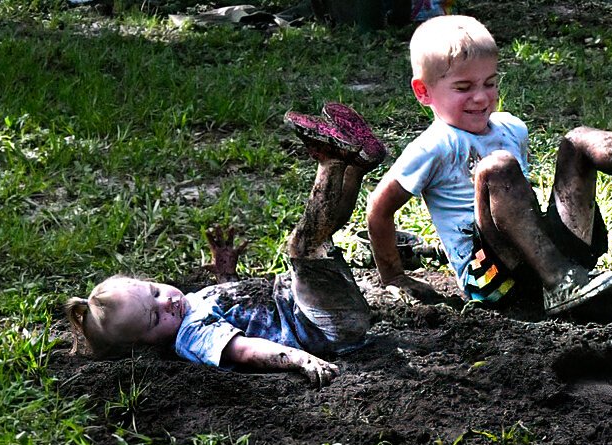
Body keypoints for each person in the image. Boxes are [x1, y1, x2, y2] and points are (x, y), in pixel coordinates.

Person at [366, 15, 612, 316]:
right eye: (463, 87)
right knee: (498, 167)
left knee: (577, 140)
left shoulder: (510, 127)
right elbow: (377, 210)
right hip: (493, 280)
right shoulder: (432, 146)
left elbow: (521, 206)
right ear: (423, 92)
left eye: (490, 83)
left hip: (546, 254)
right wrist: (393, 276)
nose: (481, 97)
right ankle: (559, 282)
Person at [64, 103, 385, 386]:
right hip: (318, 325)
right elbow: (244, 349)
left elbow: (234, 315)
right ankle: (331, 160)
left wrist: (226, 277)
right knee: (303, 247)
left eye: (155, 291)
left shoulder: (187, 307)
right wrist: (298, 359)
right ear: (147, 347)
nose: (166, 304)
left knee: (318, 236)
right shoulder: (191, 337)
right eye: (154, 318)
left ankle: (355, 164)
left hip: (313, 308)